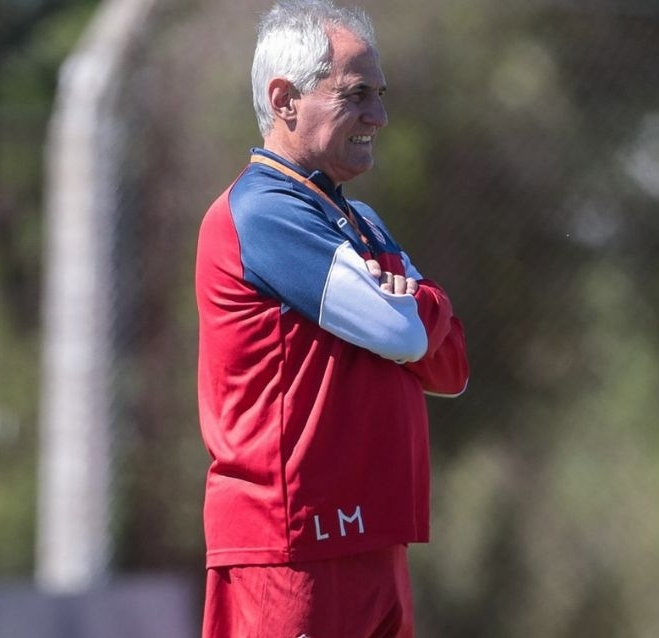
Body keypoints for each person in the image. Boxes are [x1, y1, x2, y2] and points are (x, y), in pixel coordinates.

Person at [194, 1, 469, 636]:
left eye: (380, 95)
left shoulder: (361, 222)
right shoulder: (263, 211)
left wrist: (413, 308)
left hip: (373, 541)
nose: (379, 116)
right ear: (284, 99)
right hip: (294, 550)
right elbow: (405, 333)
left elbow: (451, 367)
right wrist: (422, 304)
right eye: (355, 94)